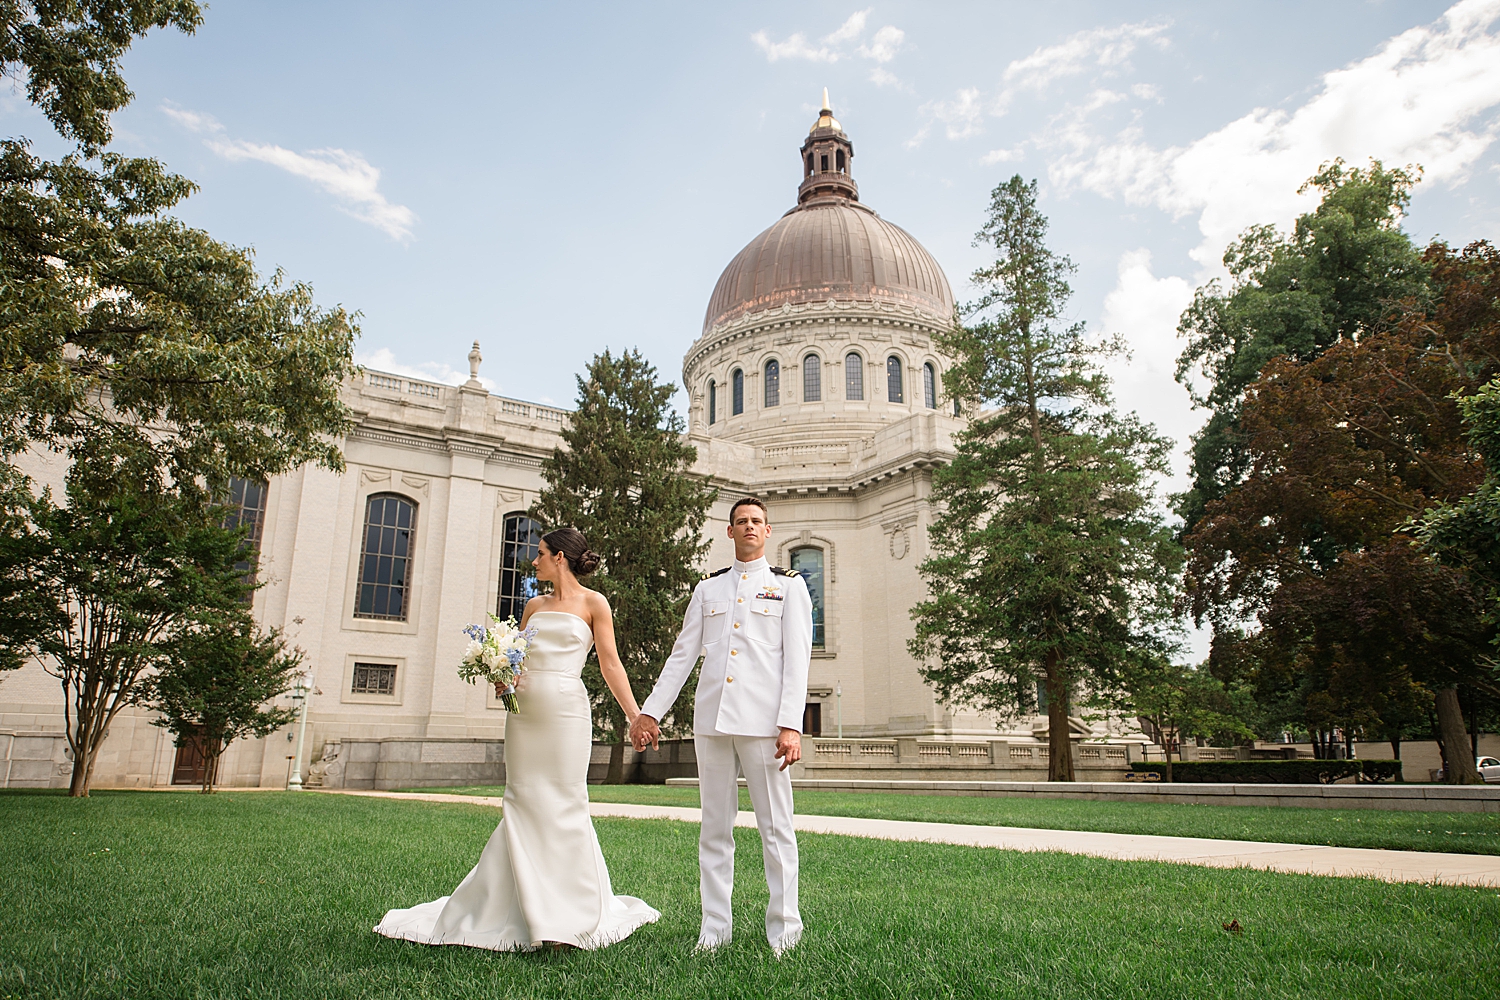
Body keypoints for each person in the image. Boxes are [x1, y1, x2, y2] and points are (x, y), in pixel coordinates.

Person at [374, 527, 659, 951]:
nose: (534, 561)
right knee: (523, 800)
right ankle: (519, 909)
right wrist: (501, 678)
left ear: (560, 557)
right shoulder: (533, 605)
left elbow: (610, 664)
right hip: (524, 716)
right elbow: (517, 660)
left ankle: (569, 917)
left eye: (541, 554)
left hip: (567, 714)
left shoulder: (594, 603)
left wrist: (636, 716)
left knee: (565, 801)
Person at [630, 496, 812, 955]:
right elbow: (682, 656)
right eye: (741, 522)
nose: (749, 527)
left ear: (767, 532)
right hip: (711, 722)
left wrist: (791, 724)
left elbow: (797, 662)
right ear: (729, 532)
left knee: (776, 829)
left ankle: (785, 931)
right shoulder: (707, 589)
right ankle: (713, 931)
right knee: (714, 828)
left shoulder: (789, 587)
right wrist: (650, 711)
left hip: (764, 727)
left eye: (757, 522)